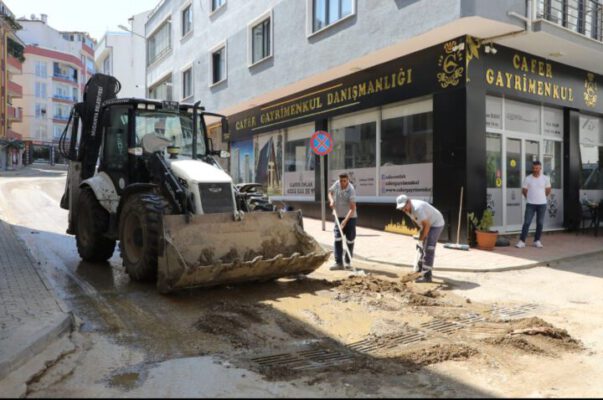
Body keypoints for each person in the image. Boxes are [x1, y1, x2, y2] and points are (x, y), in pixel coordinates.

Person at [396, 194, 445, 283]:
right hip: (427, 224)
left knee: (429, 248)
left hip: (436, 224)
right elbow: (414, 220)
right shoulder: (407, 209)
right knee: (422, 247)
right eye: (401, 208)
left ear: (409, 202)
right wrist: (419, 234)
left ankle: (427, 276)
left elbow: (427, 225)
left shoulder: (418, 208)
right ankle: (420, 270)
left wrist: (421, 239)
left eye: (404, 207)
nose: (403, 209)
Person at [516, 160, 551, 248]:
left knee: (540, 223)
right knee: (527, 222)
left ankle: (537, 240)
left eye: (537, 168)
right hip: (530, 204)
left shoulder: (545, 178)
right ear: (532, 168)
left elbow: (548, 190)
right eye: (534, 168)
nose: (535, 169)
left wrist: (542, 197)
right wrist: (530, 198)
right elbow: (524, 191)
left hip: (542, 204)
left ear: (540, 168)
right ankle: (522, 241)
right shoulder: (528, 178)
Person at [328, 173, 357, 270]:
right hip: (338, 216)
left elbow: (352, 208)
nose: (342, 183)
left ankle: (348, 262)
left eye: (344, 181)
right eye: (341, 181)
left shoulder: (351, 190)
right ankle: (338, 263)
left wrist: (345, 221)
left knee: (350, 239)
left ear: (348, 180)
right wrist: (331, 200)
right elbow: (330, 192)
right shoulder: (336, 184)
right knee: (338, 238)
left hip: (350, 218)